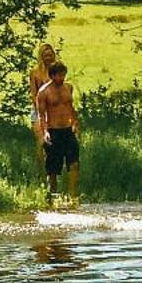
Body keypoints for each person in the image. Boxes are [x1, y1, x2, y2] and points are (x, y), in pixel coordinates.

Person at [34, 60, 80, 203]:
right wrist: (45, 132)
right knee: (53, 169)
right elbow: (41, 115)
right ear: (52, 75)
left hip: (67, 130)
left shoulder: (68, 88)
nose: (62, 78)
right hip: (53, 132)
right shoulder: (44, 92)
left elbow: (71, 107)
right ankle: (52, 196)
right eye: (59, 75)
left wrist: (75, 124)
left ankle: (73, 195)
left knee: (74, 163)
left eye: (64, 75)